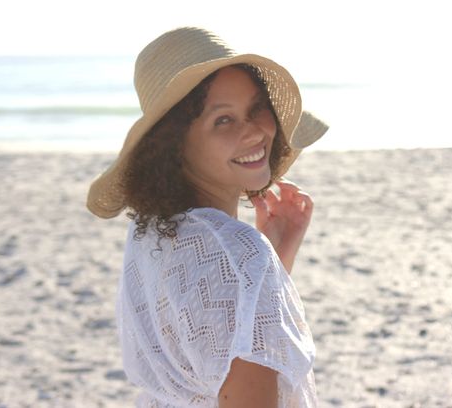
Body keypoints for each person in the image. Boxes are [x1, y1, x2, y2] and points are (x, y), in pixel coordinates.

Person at [86, 27, 329, 407]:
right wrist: (256, 260)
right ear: (175, 145)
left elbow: (208, 336)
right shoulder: (238, 253)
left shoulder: (153, 230)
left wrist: (275, 255)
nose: (255, 132)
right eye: (223, 120)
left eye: (256, 108)